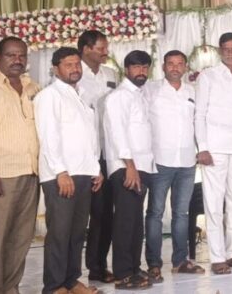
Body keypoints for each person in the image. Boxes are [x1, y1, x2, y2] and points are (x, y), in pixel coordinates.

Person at [0, 36, 42, 293]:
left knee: (21, 237)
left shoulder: (34, 88)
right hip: (0, 174)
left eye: (21, 55)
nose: (17, 60)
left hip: (31, 172)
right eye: (11, 55)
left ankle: (10, 288)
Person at [35, 47, 104, 293]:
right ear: (56, 69)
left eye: (77, 64)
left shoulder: (81, 95)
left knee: (77, 233)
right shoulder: (49, 96)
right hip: (61, 175)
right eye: (68, 65)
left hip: (84, 172)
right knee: (60, 233)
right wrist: (60, 172)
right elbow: (48, 136)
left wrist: (96, 169)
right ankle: (54, 286)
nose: (75, 69)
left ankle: (71, 280)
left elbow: (89, 137)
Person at [196, 32, 232, 275]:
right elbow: (200, 113)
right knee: (213, 202)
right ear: (220, 51)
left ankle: (231, 252)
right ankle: (217, 257)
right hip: (215, 149)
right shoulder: (208, 76)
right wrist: (202, 147)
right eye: (226, 48)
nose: (230, 52)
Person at [144, 50, 204, 277]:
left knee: (182, 213)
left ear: (186, 67)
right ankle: (154, 264)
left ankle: (180, 261)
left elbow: (199, 123)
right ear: (163, 66)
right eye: (171, 63)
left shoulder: (192, 92)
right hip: (159, 161)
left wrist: (202, 149)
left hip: (187, 161)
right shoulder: (151, 90)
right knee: (155, 213)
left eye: (180, 64)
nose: (175, 68)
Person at [104, 50, 157, 288]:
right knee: (126, 222)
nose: (141, 72)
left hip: (142, 166)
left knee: (136, 222)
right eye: (136, 67)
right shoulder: (119, 97)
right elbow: (118, 133)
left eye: (145, 67)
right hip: (126, 167)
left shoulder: (140, 95)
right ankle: (123, 274)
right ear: (127, 70)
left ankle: (134, 268)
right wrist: (130, 166)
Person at [77, 30, 119, 284]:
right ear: (85, 49)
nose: (105, 52)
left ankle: (98, 266)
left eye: (106, 48)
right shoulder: (73, 73)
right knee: (85, 215)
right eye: (101, 48)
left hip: (109, 152)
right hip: (84, 155)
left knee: (106, 214)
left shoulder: (111, 74)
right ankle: (75, 273)